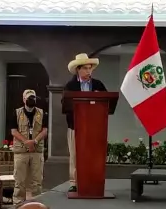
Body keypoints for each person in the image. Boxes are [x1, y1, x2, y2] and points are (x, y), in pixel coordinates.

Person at [63, 53, 107, 192]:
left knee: (94, 154)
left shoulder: (98, 84)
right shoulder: (71, 85)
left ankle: (93, 179)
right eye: (85, 68)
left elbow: (107, 102)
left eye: (90, 68)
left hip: (94, 126)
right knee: (75, 155)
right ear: (78, 69)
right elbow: (65, 105)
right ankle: (74, 182)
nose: (89, 71)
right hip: (75, 126)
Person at [11, 89, 48, 204]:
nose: (31, 100)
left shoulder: (42, 113)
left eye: (33, 98)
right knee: (19, 181)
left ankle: (37, 204)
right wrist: (26, 142)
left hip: (37, 152)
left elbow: (45, 130)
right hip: (21, 152)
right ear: (24, 99)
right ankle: (18, 204)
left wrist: (35, 141)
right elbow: (13, 131)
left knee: (37, 181)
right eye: (29, 98)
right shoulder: (16, 113)